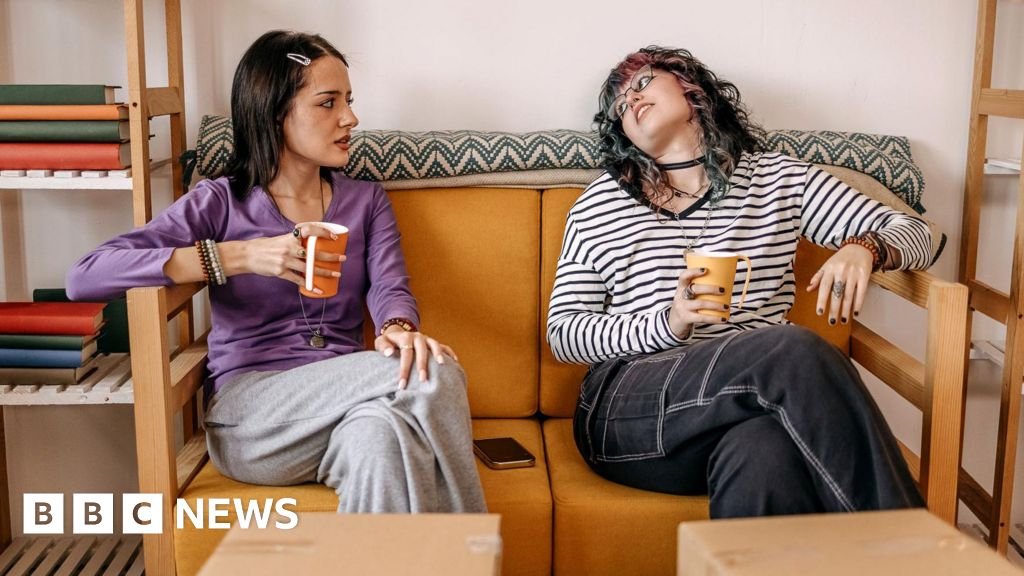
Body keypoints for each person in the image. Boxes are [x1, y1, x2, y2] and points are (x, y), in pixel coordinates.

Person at [67, 30, 485, 514]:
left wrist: (398, 329)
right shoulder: (221, 201)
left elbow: (390, 286)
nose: (350, 118)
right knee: (437, 372)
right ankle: (470, 548)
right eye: (328, 103)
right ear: (274, 113)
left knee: (381, 437)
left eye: (349, 101)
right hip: (253, 415)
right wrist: (235, 257)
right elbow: (85, 276)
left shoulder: (365, 201)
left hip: (347, 404)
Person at [547, 46, 931, 517]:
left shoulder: (777, 180)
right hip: (630, 410)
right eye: (620, 107)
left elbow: (921, 234)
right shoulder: (602, 202)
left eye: (643, 82)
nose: (633, 100)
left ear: (690, 87)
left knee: (766, 452)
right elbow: (563, 334)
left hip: (744, 412)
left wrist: (865, 247)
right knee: (793, 349)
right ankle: (907, 543)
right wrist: (669, 322)